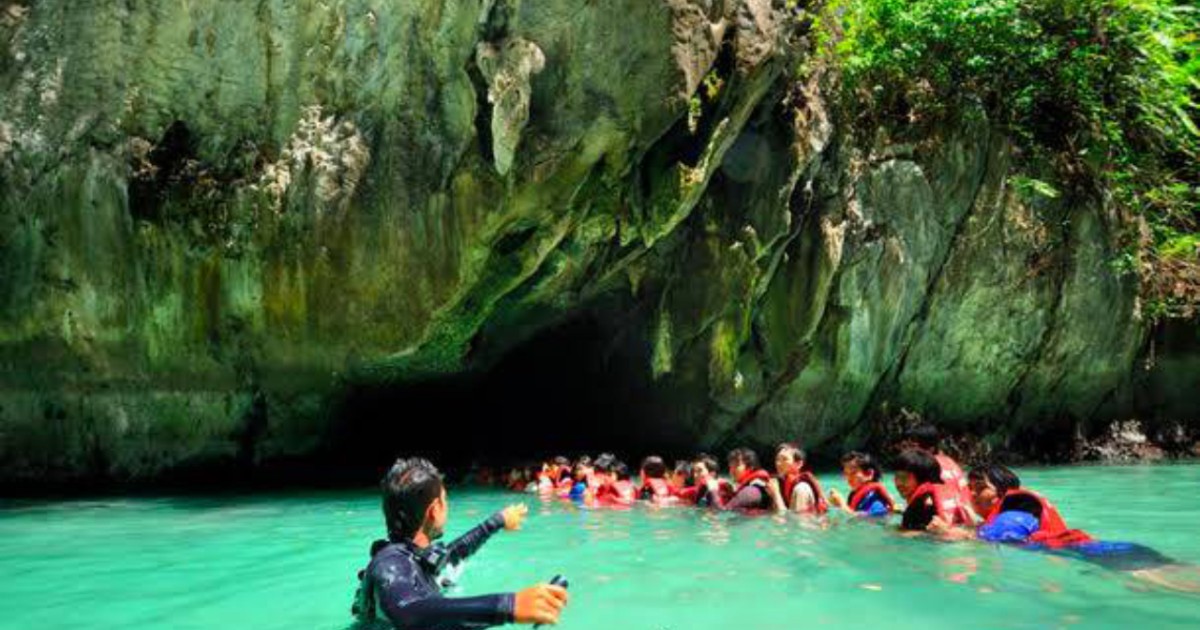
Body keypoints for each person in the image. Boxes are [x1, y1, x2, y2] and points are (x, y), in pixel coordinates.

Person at [353, 457, 568, 628]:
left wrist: (496, 522)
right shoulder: (390, 564)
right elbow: (406, 611)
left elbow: (452, 555)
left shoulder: (412, 556)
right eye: (445, 500)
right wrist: (509, 606)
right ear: (434, 510)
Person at [892, 449, 970, 531]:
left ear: (923, 480)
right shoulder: (932, 505)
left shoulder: (923, 513)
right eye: (897, 476)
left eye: (904, 478)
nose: (899, 483)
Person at [900, 423, 972, 511]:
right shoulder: (949, 461)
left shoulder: (925, 466)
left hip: (941, 519)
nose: (908, 451)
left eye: (913, 446)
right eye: (908, 446)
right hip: (966, 513)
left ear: (931, 449)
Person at [766, 443, 827, 514]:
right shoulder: (779, 483)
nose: (778, 463)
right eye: (777, 459)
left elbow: (794, 522)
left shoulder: (801, 489)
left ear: (799, 464)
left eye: (784, 459)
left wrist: (776, 494)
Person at [827, 451, 894, 517]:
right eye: (846, 474)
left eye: (853, 473)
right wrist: (836, 505)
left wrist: (841, 503)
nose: (849, 478)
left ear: (869, 473)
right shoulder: (854, 495)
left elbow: (858, 519)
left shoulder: (874, 499)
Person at [706, 448, 773, 511]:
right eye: (730, 466)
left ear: (750, 467)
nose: (731, 470)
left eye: (736, 466)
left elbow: (722, 514)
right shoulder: (751, 488)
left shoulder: (751, 491)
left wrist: (713, 490)